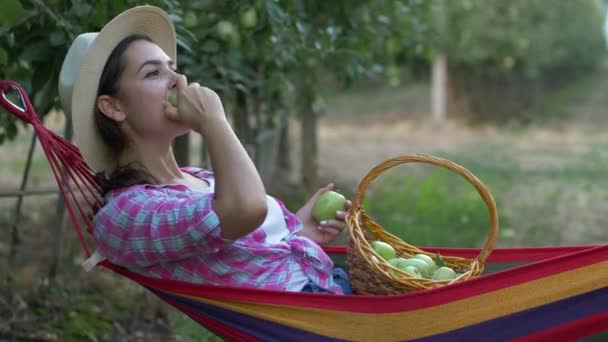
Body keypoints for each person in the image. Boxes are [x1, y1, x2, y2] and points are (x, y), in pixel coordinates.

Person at [57, 6, 353, 294]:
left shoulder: (199, 177)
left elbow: (240, 254)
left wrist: (300, 232)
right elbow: (243, 210)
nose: (179, 81)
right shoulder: (123, 215)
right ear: (114, 107)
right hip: (300, 318)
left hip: (328, 293)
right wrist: (213, 121)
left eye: (172, 68)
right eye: (153, 74)